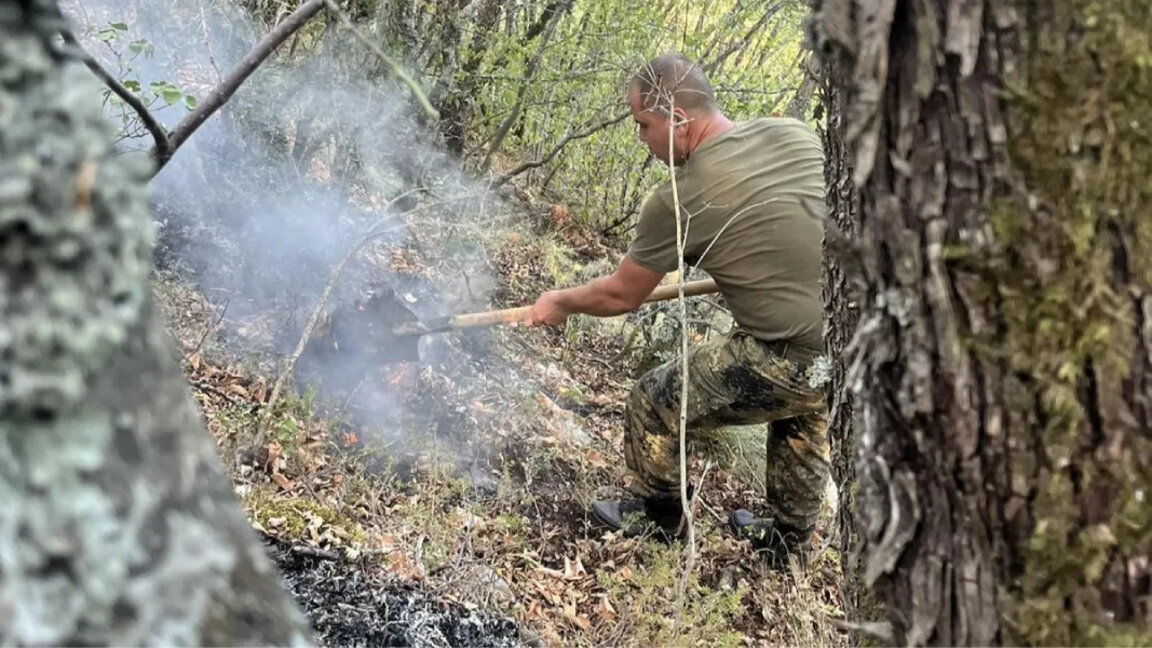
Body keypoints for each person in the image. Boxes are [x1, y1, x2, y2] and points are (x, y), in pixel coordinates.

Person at [523, 52, 829, 568]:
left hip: (794, 353)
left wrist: (559, 301)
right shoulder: (792, 133)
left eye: (643, 126)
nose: (641, 141)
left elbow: (622, 294)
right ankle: (789, 543)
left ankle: (659, 519)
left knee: (654, 398)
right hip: (859, 340)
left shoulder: (678, 198)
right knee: (803, 412)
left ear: (680, 122)